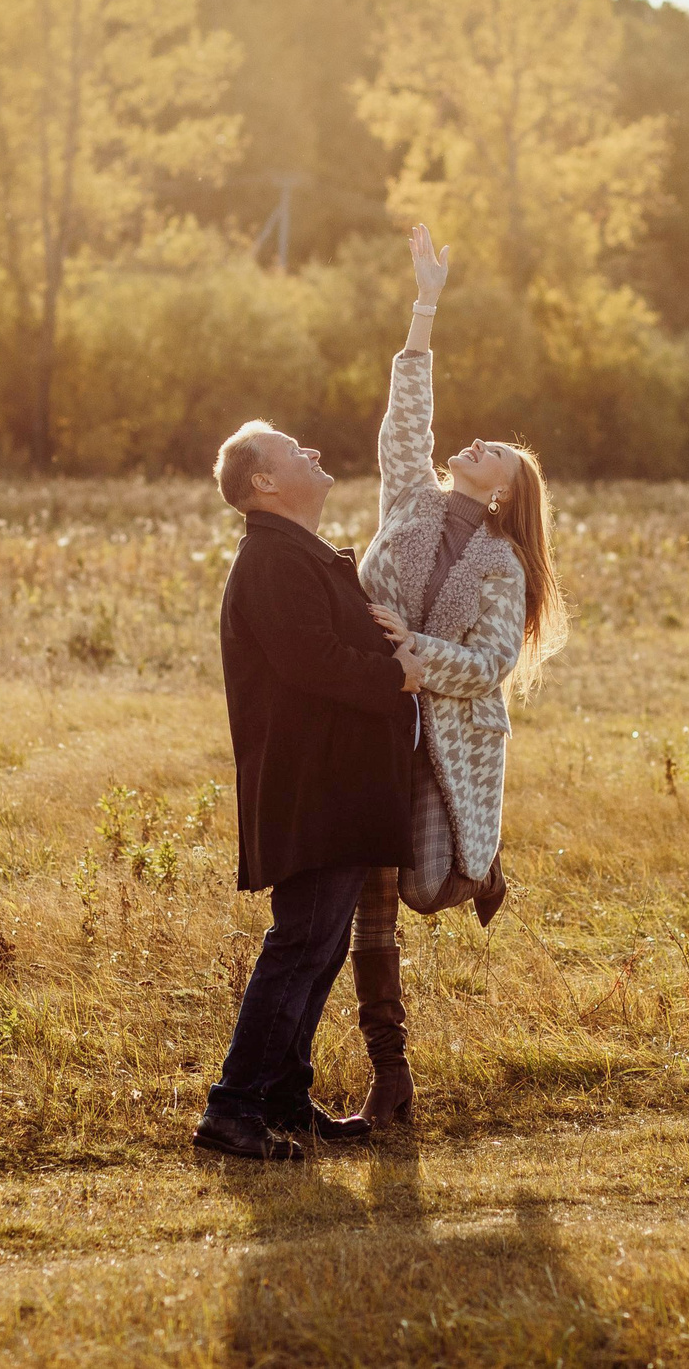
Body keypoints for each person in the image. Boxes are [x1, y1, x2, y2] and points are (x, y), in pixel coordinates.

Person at [348, 223, 570, 1129]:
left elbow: (489, 667)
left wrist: (413, 658)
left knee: (427, 884)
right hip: (361, 724)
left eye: (496, 456)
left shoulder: (501, 565)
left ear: (505, 495)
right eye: (480, 443)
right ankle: (390, 1078)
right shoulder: (411, 497)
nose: (475, 444)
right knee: (371, 901)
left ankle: (482, 866)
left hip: (442, 739)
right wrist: (425, 301)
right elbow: (407, 418)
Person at [193, 417, 427, 1161]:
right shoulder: (270, 559)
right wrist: (399, 674)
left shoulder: (295, 555)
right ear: (263, 481)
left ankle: (285, 1100)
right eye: (296, 450)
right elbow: (314, 662)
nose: (315, 451)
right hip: (313, 791)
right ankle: (231, 1111)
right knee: (298, 946)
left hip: (334, 789)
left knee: (317, 950)